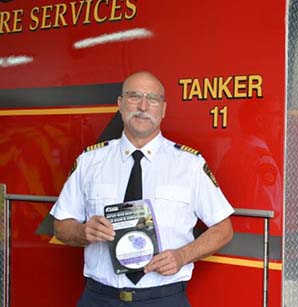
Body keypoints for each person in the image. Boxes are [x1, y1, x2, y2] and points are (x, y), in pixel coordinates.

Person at [50, 71, 234, 307]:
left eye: (153, 99)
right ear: (120, 104)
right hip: (100, 298)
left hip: (164, 298)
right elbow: (61, 226)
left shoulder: (189, 164)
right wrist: (83, 231)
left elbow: (224, 229)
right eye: (134, 96)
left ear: (163, 109)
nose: (143, 106)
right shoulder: (90, 161)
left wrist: (182, 256)